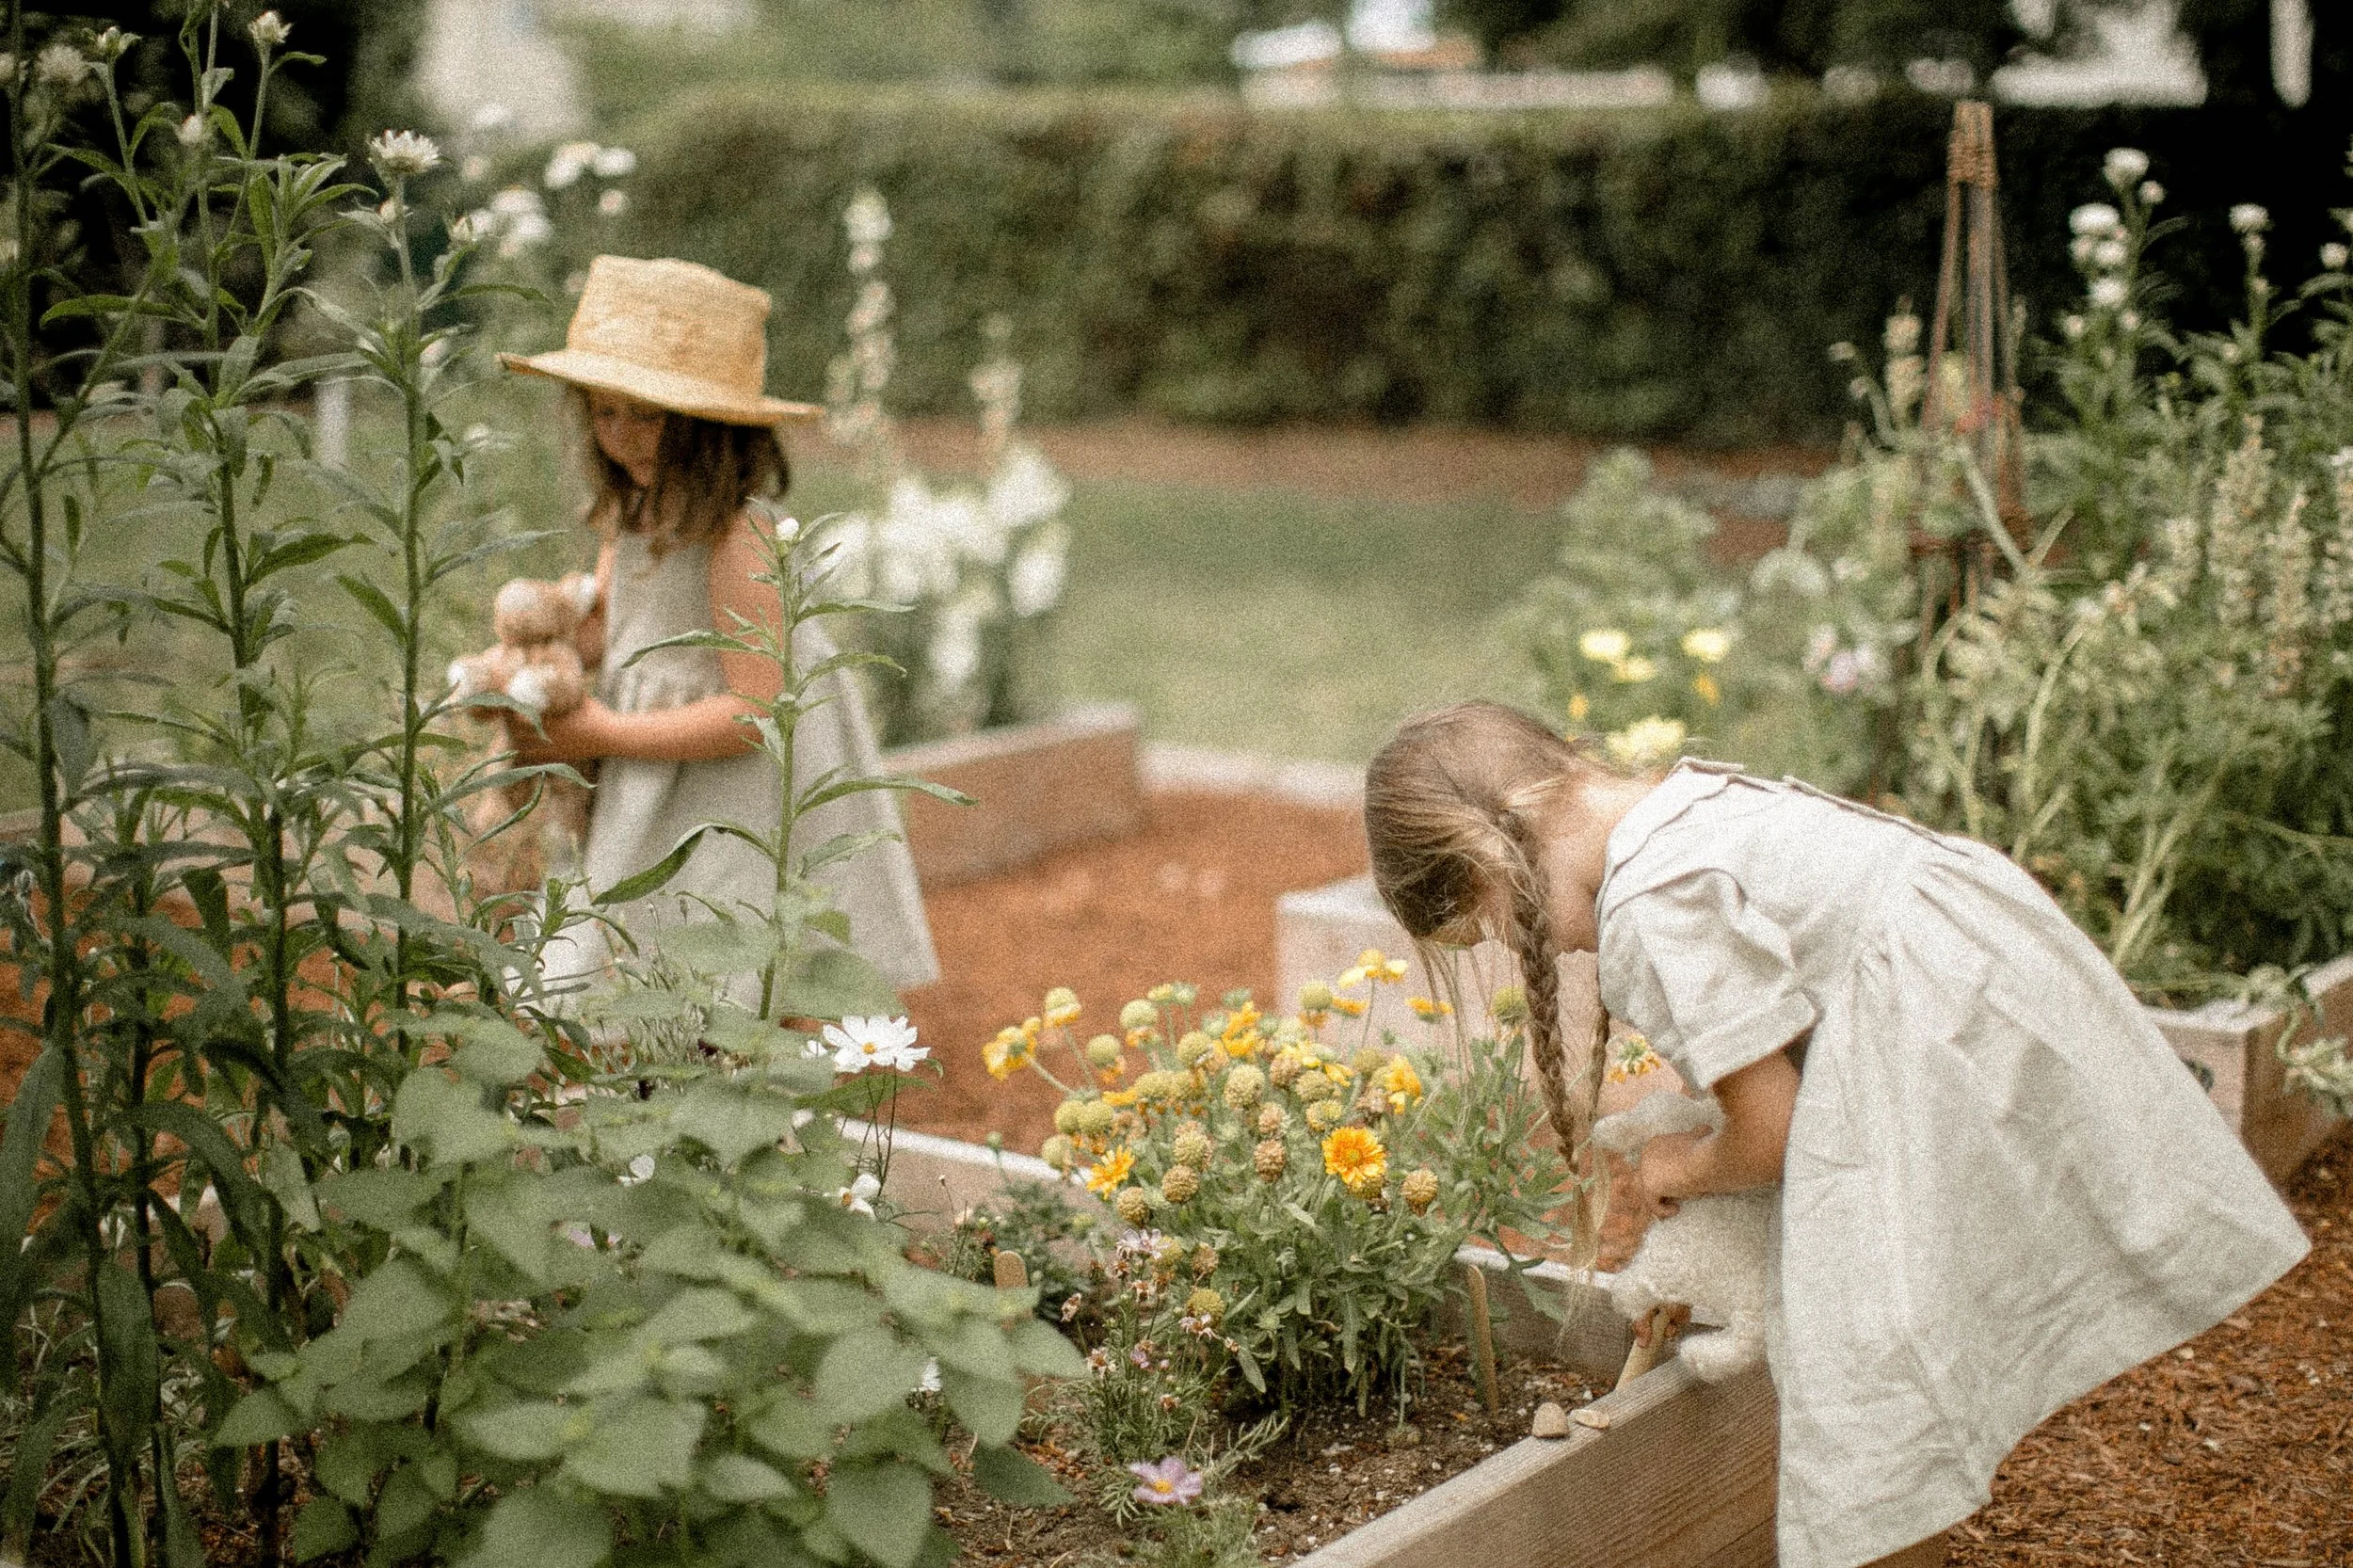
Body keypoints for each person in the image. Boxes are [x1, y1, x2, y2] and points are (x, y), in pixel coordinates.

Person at [1362, 699, 2308, 1568]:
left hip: (1925, 1043)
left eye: (1486, 927)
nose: (1541, 947)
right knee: (1900, 1332)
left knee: (1861, 1379)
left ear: (1485, 856)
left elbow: (1768, 1131)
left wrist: (1678, 1171)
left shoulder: (1651, 908)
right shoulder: (1684, 805)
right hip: (1965, 996)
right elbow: (1770, 1043)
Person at [495, 254, 936, 1002]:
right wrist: (533, 660)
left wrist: (600, 733)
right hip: (654, 760)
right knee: (645, 934)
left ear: (711, 426)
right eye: (604, 412)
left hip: (733, 783)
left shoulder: (738, 535)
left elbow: (754, 709)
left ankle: (742, 1053)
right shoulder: (633, 511)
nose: (623, 437)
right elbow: (618, 630)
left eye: (647, 416)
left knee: (731, 934)